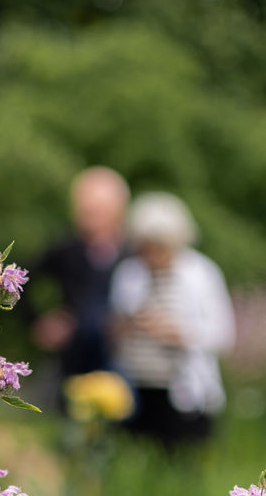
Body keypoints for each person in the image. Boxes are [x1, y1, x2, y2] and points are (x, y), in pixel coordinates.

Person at [109, 192, 235, 445]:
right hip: (135, 388)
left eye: (160, 246)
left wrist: (178, 334)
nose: (153, 254)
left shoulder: (202, 273)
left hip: (183, 390)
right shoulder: (129, 273)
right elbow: (113, 329)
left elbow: (224, 335)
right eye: (147, 246)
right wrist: (127, 325)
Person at [24, 166, 131, 396]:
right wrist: (40, 322)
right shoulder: (65, 249)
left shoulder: (134, 253)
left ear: (118, 212)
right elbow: (21, 281)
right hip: (72, 356)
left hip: (123, 357)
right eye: (84, 211)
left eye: (96, 211)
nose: (88, 219)